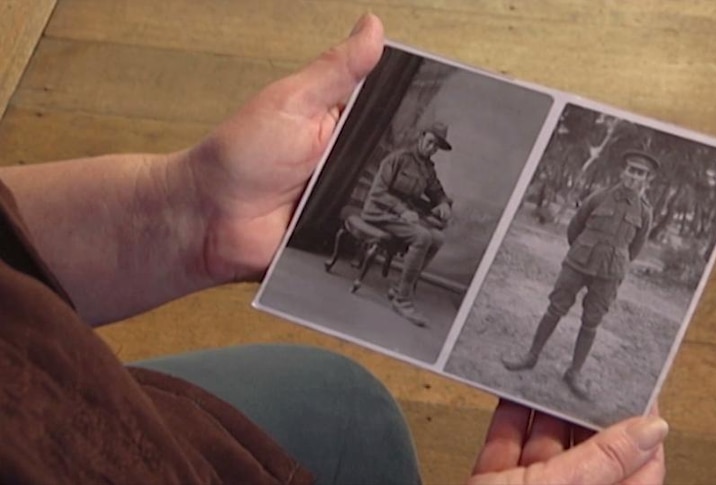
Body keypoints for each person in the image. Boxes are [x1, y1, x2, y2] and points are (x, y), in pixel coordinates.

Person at [0, 13, 666, 484]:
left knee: (347, 397)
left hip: (97, 408)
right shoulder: (411, 160)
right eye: (435, 144)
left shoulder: (439, 170)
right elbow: (394, 195)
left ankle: (568, 366)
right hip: (117, 441)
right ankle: (436, 305)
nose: (436, 153)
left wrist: (186, 207)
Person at [503, 151, 658, 397]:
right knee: (555, 308)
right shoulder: (599, 197)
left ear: (648, 179)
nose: (633, 175)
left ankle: (574, 372)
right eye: (630, 169)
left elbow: (635, 249)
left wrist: (613, 262)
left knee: (592, 321)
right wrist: (582, 250)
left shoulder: (645, 212)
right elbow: (575, 227)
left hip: (609, 273)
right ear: (623, 171)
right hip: (578, 264)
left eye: (640, 173)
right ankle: (531, 355)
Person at [360, 122, 454, 327]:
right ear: (421, 137)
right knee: (423, 236)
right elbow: (377, 192)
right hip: (378, 212)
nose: (432, 148)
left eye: (436, 146)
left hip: (402, 217)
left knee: (438, 238)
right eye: (430, 142)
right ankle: (403, 300)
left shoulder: (427, 168)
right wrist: (401, 210)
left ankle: (400, 287)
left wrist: (443, 204)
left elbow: (436, 191)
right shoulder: (398, 158)